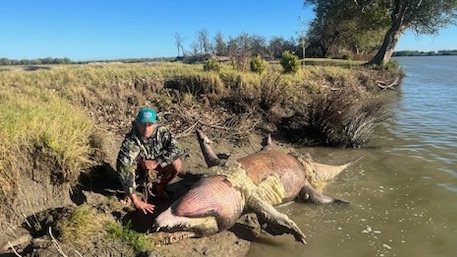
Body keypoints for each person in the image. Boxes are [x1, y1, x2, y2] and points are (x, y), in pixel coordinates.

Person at [116, 107, 184, 214]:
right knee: (128, 166)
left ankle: (160, 188)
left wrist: (157, 162)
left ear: (155, 124)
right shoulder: (131, 140)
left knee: (177, 163)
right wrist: (136, 200)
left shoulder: (162, 132)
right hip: (138, 170)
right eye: (143, 124)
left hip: (156, 166)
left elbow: (177, 149)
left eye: (149, 125)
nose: (146, 128)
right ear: (137, 123)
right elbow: (123, 166)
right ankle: (129, 193)